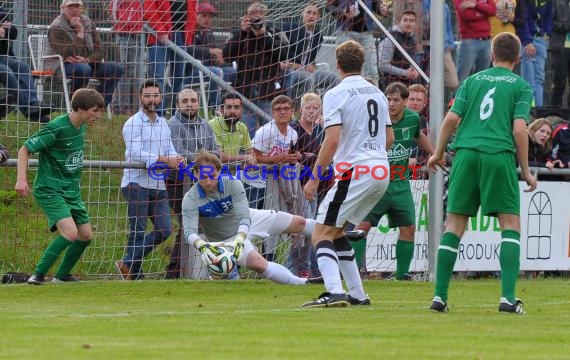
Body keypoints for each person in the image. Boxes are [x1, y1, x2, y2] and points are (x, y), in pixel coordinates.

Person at [427, 32, 536, 314]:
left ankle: (439, 297)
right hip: (498, 156)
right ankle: (508, 299)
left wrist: (438, 153)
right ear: (518, 58)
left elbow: (451, 119)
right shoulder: (521, 86)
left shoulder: (472, 81)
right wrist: (525, 170)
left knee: (454, 225)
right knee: (510, 225)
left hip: (465, 154)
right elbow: (519, 130)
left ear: (491, 55)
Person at [301, 40, 394, 308]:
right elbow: (388, 137)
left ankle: (333, 291)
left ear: (337, 65)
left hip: (356, 169)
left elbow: (331, 141)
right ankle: (357, 294)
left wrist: (315, 177)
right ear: (362, 64)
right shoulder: (377, 92)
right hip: (380, 169)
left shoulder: (335, 93)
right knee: (337, 231)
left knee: (320, 233)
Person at [182, 150, 322, 285]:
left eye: (212, 176)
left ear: (219, 171)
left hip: (250, 220)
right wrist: (202, 245)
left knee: (299, 222)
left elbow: (244, 216)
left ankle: (333, 235)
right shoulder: (190, 198)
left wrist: (240, 238)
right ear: (195, 174)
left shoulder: (233, 184)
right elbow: (189, 232)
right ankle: (305, 283)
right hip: (226, 240)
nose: (208, 182)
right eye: (203, 177)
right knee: (258, 264)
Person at [15, 88, 105, 284]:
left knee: (86, 235)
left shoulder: (80, 126)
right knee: (70, 233)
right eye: (94, 111)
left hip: (71, 191)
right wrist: (21, 179)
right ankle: (37, 275)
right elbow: (25, 149)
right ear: (80, 109)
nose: (98, 116)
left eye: (100, 111)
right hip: (50, 189)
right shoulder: (56, 127)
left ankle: (61, 276)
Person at [347, 82, 434, 280]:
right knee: (362, 227)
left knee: (409, 228)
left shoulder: (413, 119)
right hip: (376, 184)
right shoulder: (375, 119)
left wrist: (434, 153)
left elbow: (417, 135)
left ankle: (401, 275)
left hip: (401, 184)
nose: (391, 103)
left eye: (396, 100)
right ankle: (350, 274)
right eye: (389, 98)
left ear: (405, 102)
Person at [116, 79, 185, 280]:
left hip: (157, 183)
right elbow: (136, 152)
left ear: (161, 97)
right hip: (136, 182)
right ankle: (134, 274)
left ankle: (127, 262)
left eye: (156, 95)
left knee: (165, 230)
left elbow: (169, 148)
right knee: (137, 231)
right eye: (148, 95)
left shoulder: (163, 123)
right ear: (140, 98)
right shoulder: (132, 123)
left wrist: (177, 157)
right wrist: (166, 160)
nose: (152, 99)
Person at [164, 88, 219, 279]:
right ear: (178, 104)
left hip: (202, 183)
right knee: (188, 224)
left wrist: (203, 160)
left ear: (198, 103)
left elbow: (217, 151)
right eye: (185, 101)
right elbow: (179, 153)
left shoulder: (206, 125)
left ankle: (192, 270)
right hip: (177, 183)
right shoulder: (173, 125)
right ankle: (174, 272)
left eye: (193, 100)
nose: (190, 104)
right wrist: (205, 159)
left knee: (200, 225)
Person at [223, 2, 289, 139]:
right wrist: (242, 32)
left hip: (269, 92)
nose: (256, 19)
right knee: (247, 135)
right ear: (247, 17)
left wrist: (264, 36)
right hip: (246, 92)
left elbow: (283, 55)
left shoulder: (274, 32)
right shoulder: (240, 34)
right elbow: (227, 56)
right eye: (253, 15)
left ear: (265, 16)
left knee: (272, 135)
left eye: (259, 15)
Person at [253, 95, 302, 261]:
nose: (282, 112)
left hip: (283, 179)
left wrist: (294, 157)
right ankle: (266, 258)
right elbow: (255, 158)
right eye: (278, 109)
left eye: (286, 108)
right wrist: (280, 159)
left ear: (292, 112)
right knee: (267, 219)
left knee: (281, 217)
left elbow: (288, 157)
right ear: (272, 112)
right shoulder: (265, 131)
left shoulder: (293, 133)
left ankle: (280, 257)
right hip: (262, 181)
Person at [48, 0, 124, 107]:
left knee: (116, 69)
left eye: (77, 6)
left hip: (88, 63)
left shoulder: (88, 22)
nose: (74, 9)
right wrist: (79, 32)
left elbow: (100, 50)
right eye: (70, 6)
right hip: (61, 66)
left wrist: (88, 59)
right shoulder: (57, 27)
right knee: (83, 69)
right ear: (63, 8)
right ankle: (76, 106)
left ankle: (98, 105)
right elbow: (68, 53)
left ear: (81, 8)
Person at [288, 92, 324, 278]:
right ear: (301, 109)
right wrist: (301, 158)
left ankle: (306, 268)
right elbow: (290, 156)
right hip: (297, 186)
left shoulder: (320, 131)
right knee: (304, 228)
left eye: (315, 108)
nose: (311, 111)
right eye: (308, 108)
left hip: (316, 185)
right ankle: (295, 267)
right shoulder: (293, 129)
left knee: (310, 228)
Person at [143, 0, 196, 115]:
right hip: (158, 35)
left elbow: (192, 11)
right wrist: (160, 29)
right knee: (158, 77)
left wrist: (189, 33)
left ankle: (177, 115)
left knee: (179, 77)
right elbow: (149, 9)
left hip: (181, 34)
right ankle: (158, 115)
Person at [0, 6, 51, 122]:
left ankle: (33, 103)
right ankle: (29, 110)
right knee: (6, 71)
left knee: (22, 67)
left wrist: (4, 31)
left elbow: (13, 32)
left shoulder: (1, 11)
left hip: (2, 57)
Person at [326, 0, 390, 86]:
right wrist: (342, 12)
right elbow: (328, 6)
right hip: (345, 32)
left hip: (366, 33)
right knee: (346, 65)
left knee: (371, 68)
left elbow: (376, 5)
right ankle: (345, 91)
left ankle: (373, 95)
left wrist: (382, 10)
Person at [281, 4, 338, 101]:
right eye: (308, 12)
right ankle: (305, 109)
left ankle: (325, 108)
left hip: (306, 71)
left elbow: (311, 59)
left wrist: (312, 64)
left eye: (314, 13)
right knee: (309, 78)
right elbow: (280, 53)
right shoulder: (290, 28)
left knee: (334, 78)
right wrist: (291, 64)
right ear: (302, 14)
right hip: (289, 70)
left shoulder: (318, 36)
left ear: (318, 17)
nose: (311, 16)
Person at [515, 0, 553, 106]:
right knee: (528, 80)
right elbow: (524, 20)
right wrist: (527, 42)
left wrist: (546, 34)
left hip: (542, 40)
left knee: (539, 79)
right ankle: (528, 111)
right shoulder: (525, 2)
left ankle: (538, 111)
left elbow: (549, 17)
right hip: (528, 40)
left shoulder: (549, 2)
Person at [109, 0, 144, 115]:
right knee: (126, 71)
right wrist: (121, 23)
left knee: (135, 72)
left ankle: (124, 107)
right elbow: (113, 6)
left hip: (139, 34)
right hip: (125, 34)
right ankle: (122, 108)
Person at [454, 0, 496, 84]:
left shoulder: (475, 3)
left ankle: (477, 97)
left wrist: (475, 5)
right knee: (462, 78)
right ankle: (459, 97)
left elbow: (493, 11)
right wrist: (483, 11)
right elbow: (467, 15)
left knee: (482, 78)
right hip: (468, 41)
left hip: (486, 41)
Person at [377, 10, 420, 88]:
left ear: (415, 24)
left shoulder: (413, 39)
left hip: (408, 83)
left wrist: (414, 70)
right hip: (391, 85)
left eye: (412, 20)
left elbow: (413, 62)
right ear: (398, 22)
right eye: (405, 20)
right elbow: (382, 66)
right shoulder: (389, 38)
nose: (408, 23)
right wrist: (405, 73)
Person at [548, 0, 570, 107]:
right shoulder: (556, 2)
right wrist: (565, 26)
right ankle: (555, 113)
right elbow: (549, 22)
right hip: (560, 48)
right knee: (559, 82)